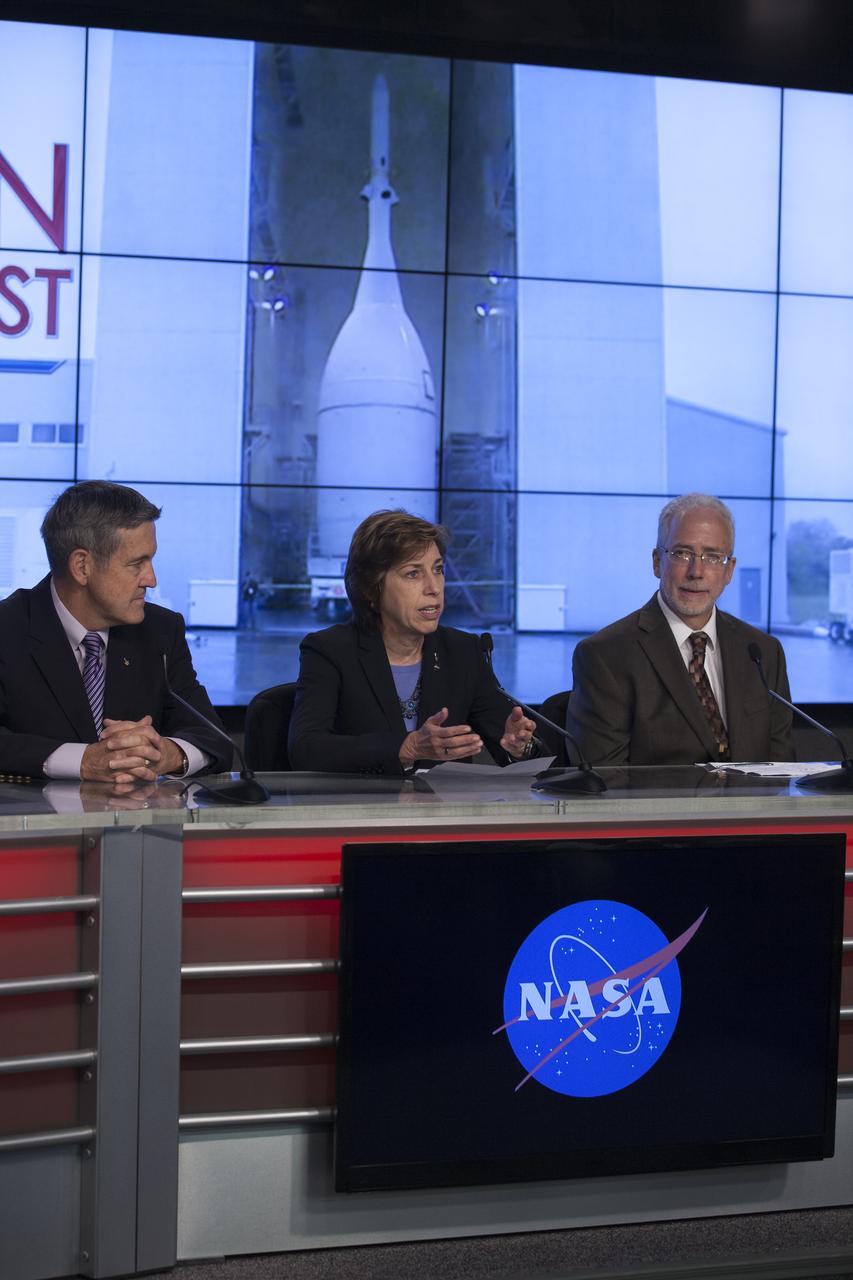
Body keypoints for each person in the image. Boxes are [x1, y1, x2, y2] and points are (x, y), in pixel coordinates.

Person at [0, 480, 232, 781]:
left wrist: (166, 754)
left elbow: (214, 739)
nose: (151, 580)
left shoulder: (161, 631)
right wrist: (82, 761)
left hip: (135, 826)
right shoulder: (9, 629)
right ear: (82, 566)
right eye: (137, 564)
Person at [288, 510, 539, 774]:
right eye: (413, 574)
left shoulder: (463, 651)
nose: (434, 587)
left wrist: (521, 746)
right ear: (370, 589)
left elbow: (528, 752)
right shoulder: (330, 650)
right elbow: (305, 748)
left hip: (443, 814)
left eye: (438, 569)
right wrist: (405, 747)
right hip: (359, 810)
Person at [565, 493, 793, 766]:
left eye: (712, 557)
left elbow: (782, 772)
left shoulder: (763, 653)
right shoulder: (605, 655)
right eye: (682, 553)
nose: (696, 572)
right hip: (658, 809)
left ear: (729, 570)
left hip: (753, 809)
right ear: (657, 562)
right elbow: (605, 780)